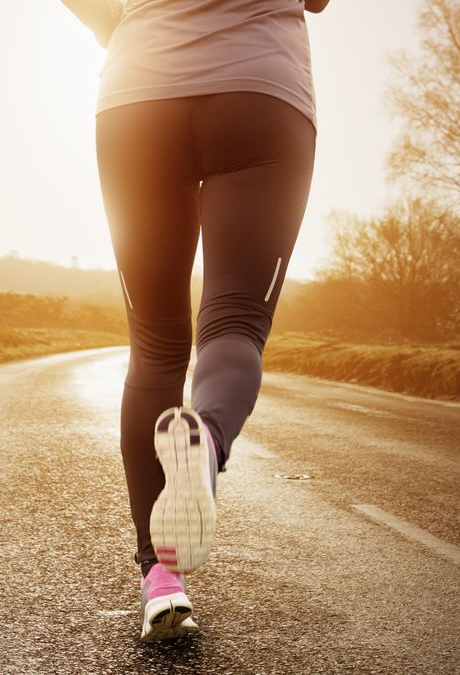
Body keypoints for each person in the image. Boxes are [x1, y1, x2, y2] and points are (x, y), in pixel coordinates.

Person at [61, 0, 327, 642]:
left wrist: (112, 21)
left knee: (154, 345)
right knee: (234, 320)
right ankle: (204, 439)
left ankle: (160, 579)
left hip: (138, 94)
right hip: (259, 92)